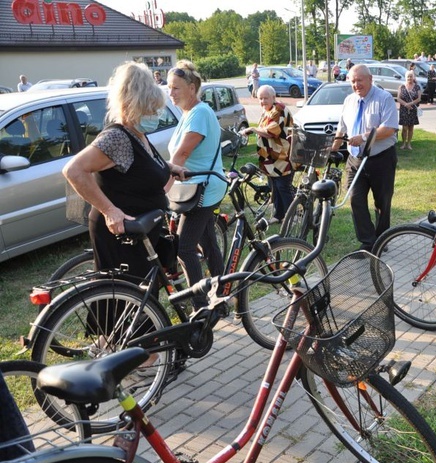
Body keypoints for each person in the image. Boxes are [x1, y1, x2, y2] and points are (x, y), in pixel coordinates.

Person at [63, 62, 175, 278]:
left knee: (139, 301)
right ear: (132, 106)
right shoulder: (117, 137)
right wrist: (109, 210)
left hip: (141, 233)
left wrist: (170, 167)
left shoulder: (138, 133)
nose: (154, 115)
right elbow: (73, 170)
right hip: (121, 234)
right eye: (149, 109)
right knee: (120, 303)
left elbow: (139, 168)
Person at [166, 60, 227, 310]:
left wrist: (160, 189)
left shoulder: (200, 113)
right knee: (209, 244)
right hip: (194, 188)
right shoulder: (189, 114)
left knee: (184, 248)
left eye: (176, 88)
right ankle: (222, 296)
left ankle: (200, 307)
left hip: (202, 189)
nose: (170, 93)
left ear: (192, 88)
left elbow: (180, 157)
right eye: (169, 88)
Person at [332, 64, 398, 252]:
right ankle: (368, 242)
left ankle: (382, 239)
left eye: (359, 80)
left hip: (381, 159)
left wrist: (362, 137)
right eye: (353, 81)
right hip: (355, 160)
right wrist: (333, 148)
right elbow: (342, 128)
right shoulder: (349, 101)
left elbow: (389, 128)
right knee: (355, 199)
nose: (356, 84)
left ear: (370, 79)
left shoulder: (384, 98)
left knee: (382, 203)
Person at [241, 85, 295, 225]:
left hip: (282, 158)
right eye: (260, 98)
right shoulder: (268, 110)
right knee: (275, 187)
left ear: (273, 97)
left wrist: (252, 129)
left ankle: (291, 218)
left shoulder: (279, 110)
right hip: (271, 159)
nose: (263, 101)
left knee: (283, 187)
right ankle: (279, 215)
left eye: (266, 98)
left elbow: (271, 132)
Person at [397, 70, 422, 150]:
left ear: (413, 77)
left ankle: (409, 144)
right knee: (404, 128)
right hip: (404, 109)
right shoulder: (402, 86)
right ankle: (403, 143)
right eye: (408, 76)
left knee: (411, 127)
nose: (409, 78)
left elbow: (419, 99)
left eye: (411, 76)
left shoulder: (417, 87)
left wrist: (410, 104)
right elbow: (398, 98)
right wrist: (406, 104)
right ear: (405, 77)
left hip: (413, 109)